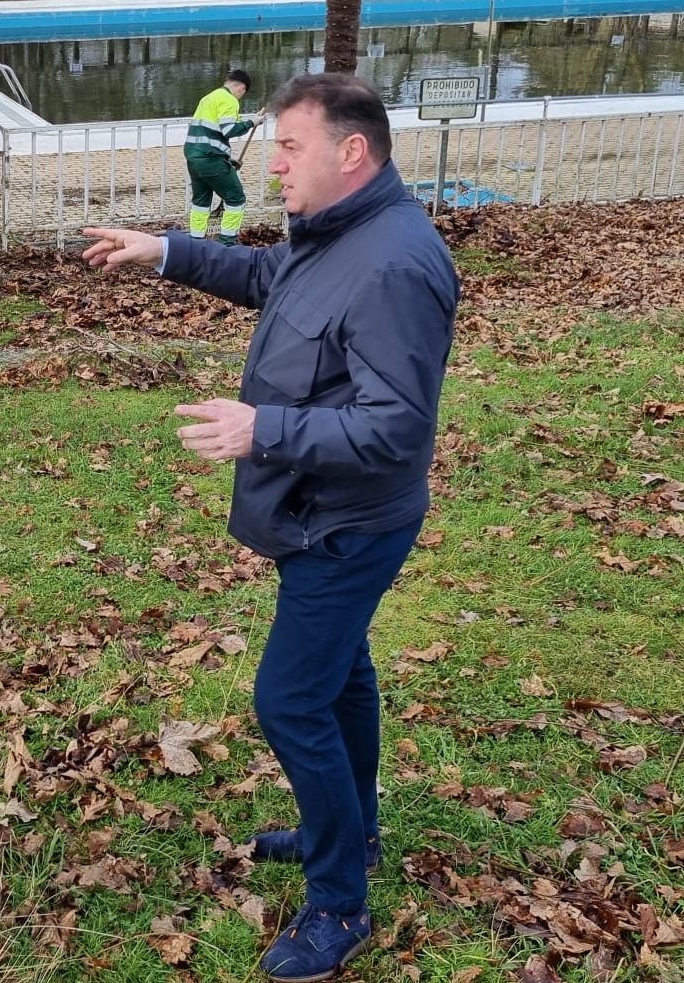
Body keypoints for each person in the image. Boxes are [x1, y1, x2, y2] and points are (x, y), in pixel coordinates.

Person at [83, 72, 459, 983]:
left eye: (290, 147)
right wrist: (164, 250)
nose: (271, 163)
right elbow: (269, 276)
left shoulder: (396, 263)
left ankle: (339, 902)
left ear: (352, 152)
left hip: (348, 523)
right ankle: (356, 831)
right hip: (318, 514)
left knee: (289, 701)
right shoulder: (338, 233)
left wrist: (266, 429)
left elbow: (398, 426)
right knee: (340, 679)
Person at [186, 67, 258, 245]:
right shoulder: (229, 100)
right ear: (242, 89)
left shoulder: (209, 97)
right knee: (236, 198)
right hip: (211, 159)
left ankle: (196, 242)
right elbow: (229, 129)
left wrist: (226, 158)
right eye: (243, 94)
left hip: (194, 157)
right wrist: (251, 122)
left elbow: (211, 132)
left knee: (201, 201)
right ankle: (227, 242)